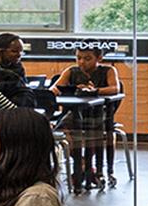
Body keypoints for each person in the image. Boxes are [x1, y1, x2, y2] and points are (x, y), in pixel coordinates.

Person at [52, 47, 124, 190]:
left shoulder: (108, 71)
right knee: (62, 127)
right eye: (78, 58)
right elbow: (55, 88)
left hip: (99, 113)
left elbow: (115, 88)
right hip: (74, 113)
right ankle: (83, 164)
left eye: (87, 58)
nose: (81, 62)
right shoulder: (71, 71)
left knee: (93, 130)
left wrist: (95, 91)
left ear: (99, 59)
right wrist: (68, 90)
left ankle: (96, 170)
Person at [0, 32, 35, 108]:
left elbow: (24, 89)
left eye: (21, 51)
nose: (19, 55)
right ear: (0, 51)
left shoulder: (18, 66)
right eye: (14, 51)